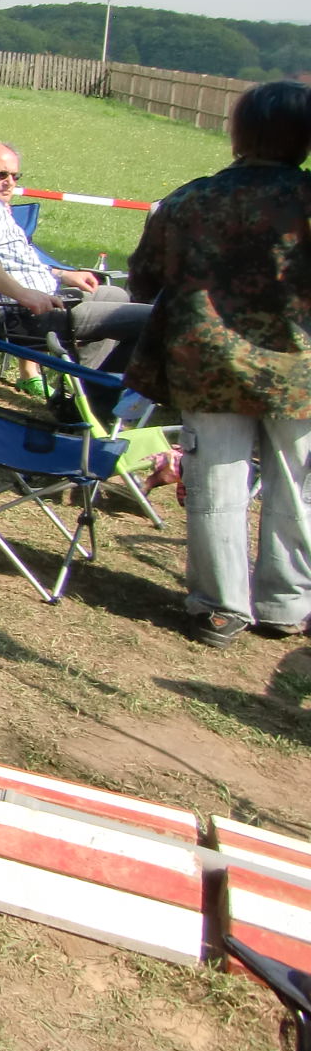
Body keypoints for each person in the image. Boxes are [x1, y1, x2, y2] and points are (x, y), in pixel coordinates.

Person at [125, 81, 311, 648]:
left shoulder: (191, 200)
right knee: (297, 489)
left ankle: (220, 608)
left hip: (206, 367)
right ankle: (286, 604)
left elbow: (143, 279)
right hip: (299, 374)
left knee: (217, 486)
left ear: (238, 132)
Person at [0, 139, 151, 370]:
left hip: (20, 309)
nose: (10, 183)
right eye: (0, 174)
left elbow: (10, 263)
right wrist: (25, 294)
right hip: (27, 317)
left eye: (15, 176)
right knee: (155, 319)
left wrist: (62, 275)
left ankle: (87, 379)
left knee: (113, 295)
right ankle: (100, 388)